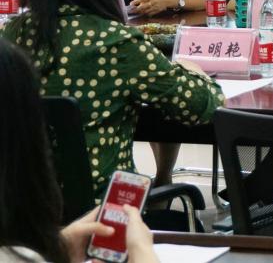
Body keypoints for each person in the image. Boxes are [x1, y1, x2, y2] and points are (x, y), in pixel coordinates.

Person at [1, 0, 224, 201]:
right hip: (107, 211)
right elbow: (201, 107)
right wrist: (195, 72)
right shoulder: (117, 43)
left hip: (21, 208)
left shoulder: (10, 35)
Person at [0, 39, 158, 263]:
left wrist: (57, 251)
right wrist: (143, 253)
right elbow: (200, 104)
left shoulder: (15, 36)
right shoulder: (122, 43)